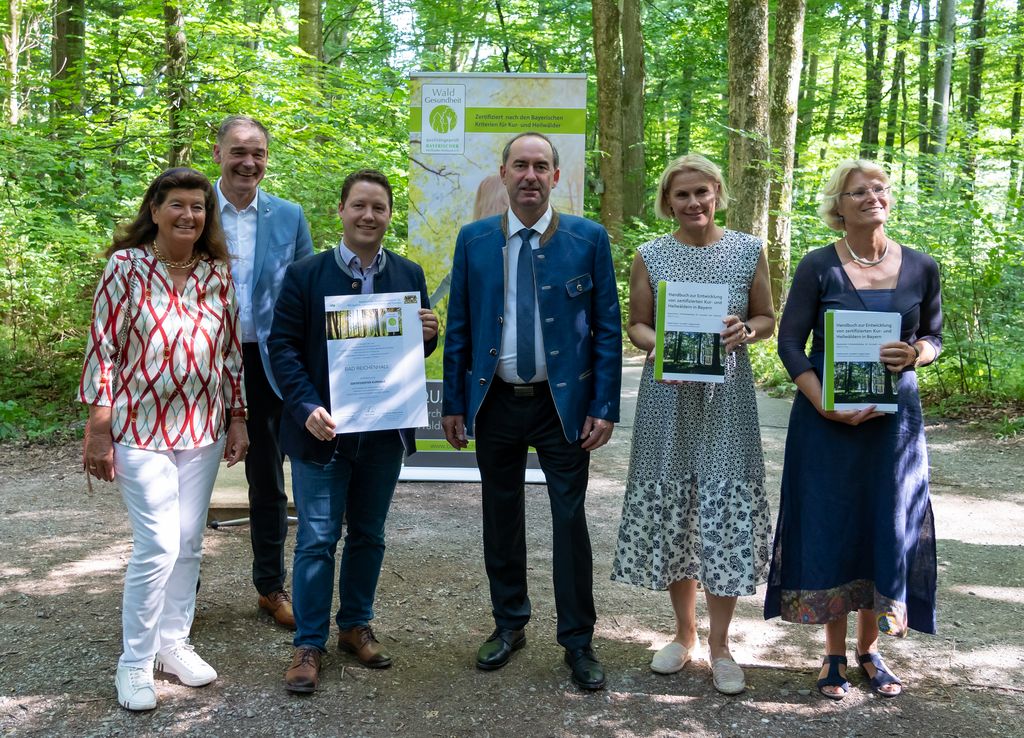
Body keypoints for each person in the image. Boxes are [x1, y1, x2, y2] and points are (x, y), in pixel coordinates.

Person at [441, 132, 622, 691]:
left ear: (556, 178)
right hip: (495, 402)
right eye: (519, 165)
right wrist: (453, 402)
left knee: (569, 521)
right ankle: (509, 624)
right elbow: (461, 328)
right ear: (503, 173)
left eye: (541, 166)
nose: (529, 176)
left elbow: (608, 330)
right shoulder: (473, 240)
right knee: (500, 514)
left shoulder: (587, 239)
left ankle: (578, 641)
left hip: (560, 405)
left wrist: (604, 405)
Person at [763, 159, 942, 699]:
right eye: (857, 191)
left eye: (880, 188)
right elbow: (790, 343)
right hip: (826, 424)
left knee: (883, 523)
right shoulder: (819, 265)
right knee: (831, 524)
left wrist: (915, 353)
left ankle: (871, 651)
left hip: (894, 428)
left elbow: (934, 336)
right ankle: (832, 655)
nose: (872, 196)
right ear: (837, 207)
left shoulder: (921, 266)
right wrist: (823, 404)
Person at [80, 167, 249, 711]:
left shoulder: (216, 272)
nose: (189, 216)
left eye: (198, 207)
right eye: (177, 204)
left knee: (190, 542)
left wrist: (238, 417)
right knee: (157, 545)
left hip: (201, 427)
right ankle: (133, 662)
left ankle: (172, 644)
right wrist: (99, 427)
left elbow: (229, 352)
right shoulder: (125, 267)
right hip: (140, 427)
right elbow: (104, 346)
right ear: (154, 210)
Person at [610, 154, 775, 695]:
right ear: (667, 202)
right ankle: (684, 636)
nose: (693, 203)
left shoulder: (749, 250)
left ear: (718, 192)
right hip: (669, 401)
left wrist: (743, 332)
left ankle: (723, 644)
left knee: (723, 512)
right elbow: (636, 325)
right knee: (677, 511)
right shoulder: (651, 255)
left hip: (727, 404)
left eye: (702, 192)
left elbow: (766, 319)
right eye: (682, 196)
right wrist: (666, 348)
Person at [268, 169, 438, 693]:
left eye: (379, 208)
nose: (369, 216)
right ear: (340, 211)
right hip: (324, 432)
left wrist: (426, 337)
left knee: (369, 534)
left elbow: (406, 358)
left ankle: (354, 626)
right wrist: (305, 406)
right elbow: (283, 348)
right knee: (318, 538)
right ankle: (308, 644)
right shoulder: (305, 274)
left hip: (383, 434)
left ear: (389, 216)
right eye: (359, 206)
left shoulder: (407, 275)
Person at [214, 115, 314, 630]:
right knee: (185, 475)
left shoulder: (289, 215)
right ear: (218, 155)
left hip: (266, 364)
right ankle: (179, 588)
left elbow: (306, 291)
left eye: (257, 153)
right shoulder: (193, 206)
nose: (248, 162)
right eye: (238, 151)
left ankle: (269, 586)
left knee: (268, 479)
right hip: (198, 361)